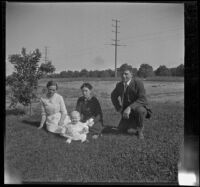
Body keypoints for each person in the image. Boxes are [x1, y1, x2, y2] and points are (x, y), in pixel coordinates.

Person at [111, 64, 152, 140]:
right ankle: (131, 123)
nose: (123, 76)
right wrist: (118, 107)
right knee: (121, 130)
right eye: (122, 74)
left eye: (126, 74)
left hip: (139, 108)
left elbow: (142, 99)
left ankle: (140, 130)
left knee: (140, 110)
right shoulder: (119, 85)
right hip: (126, 111)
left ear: (131, 74)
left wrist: (130, 107)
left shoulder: (138, 83)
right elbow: (113, 96)